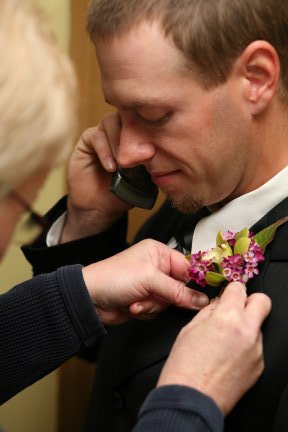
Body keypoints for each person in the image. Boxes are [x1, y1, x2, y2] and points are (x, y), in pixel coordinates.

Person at [0, 2, 270, 431]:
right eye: (121, 114)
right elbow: (111, 353)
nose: (126, 153)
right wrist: (88, 223)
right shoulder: (183, 199)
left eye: (152, 116)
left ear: (256, 78)